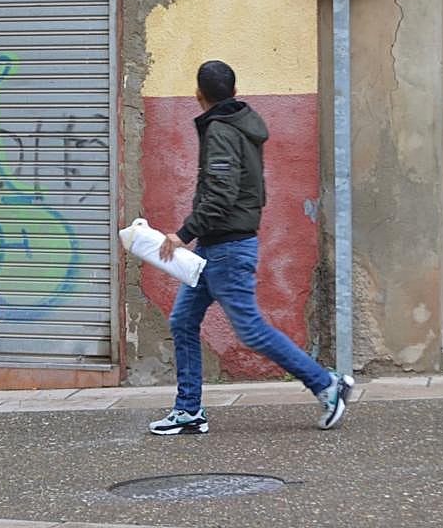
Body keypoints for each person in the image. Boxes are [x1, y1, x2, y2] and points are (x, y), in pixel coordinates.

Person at [149, 60, 353, 436]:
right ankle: (189, 411)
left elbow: (221, 194)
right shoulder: (240, 125)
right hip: (217, 249)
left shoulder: (222, 132)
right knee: (183, 321)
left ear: (199, 96)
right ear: (235, 92)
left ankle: (325, 383)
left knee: (251, 330)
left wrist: (183, 233)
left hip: (226, 248)